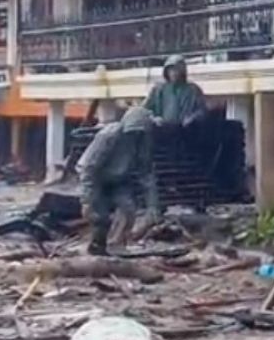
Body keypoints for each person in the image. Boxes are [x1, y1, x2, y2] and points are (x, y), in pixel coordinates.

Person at [76, 106, 160, 256]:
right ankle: (97, 247)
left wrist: (153, 206)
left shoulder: (143, 141)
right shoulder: (110, 135)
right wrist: (87, 199)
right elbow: (89, 167)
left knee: (128, 209)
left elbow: (146, 173)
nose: (137, 134)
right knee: (99, 216)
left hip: (120, 179)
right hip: (97, 177)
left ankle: (116, 244)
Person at [144, 55, 207, 127]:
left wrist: (192, 118)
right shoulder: (157, 89)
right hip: (162, 128)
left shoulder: (193, 90)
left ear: (182, 71)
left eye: (177, 70)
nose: (173, 73)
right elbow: (144, 110)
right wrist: (154, 119)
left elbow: (202, 111)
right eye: (170, 70)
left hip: (184, 129)